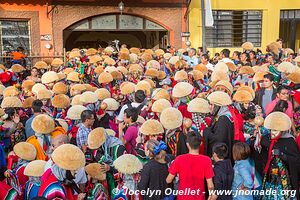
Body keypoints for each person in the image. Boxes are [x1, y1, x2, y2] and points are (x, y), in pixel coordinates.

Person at [166, 131, 214, 200]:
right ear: (201, 143)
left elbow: (168, 180)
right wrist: (210, 196)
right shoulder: (207, 160)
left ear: (187, 144)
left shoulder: (179, 159)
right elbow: (210, 185)